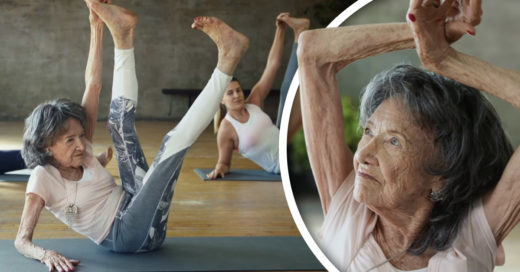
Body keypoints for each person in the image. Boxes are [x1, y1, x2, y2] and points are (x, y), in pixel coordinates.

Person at [14, 0, 249, 271]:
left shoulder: (81, 150)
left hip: (134, 202)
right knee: (170, 146)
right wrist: (45, 255)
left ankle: (123, 34)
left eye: (81, 136)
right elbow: (22, 240)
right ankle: (228, 60)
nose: (81, 144)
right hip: (127, 235)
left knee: (118, 123)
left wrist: (96, 25)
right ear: (46, 145)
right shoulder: (42, 178)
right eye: (70, 140)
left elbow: (94, 85)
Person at [296, 0, 520, 271]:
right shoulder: (347, 207)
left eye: (394, 141)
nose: (363, 155)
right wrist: (427, 33)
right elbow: (312, 51)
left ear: (443, 177)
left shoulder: (470, 241)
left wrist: (444, 60)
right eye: (369, 132)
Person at [206, 13, 308, 179]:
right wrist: (219, 169)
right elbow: (224, 163)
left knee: (287, 90)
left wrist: (280, 29)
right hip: (283, 166)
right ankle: (301, 35)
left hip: (291, 146)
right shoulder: (226, 129)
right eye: (230, 93)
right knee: (303, 99)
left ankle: (299, 34)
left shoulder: (253, 102)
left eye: (238, 90)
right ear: (221, 100)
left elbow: (273, 66)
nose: (237, 95)